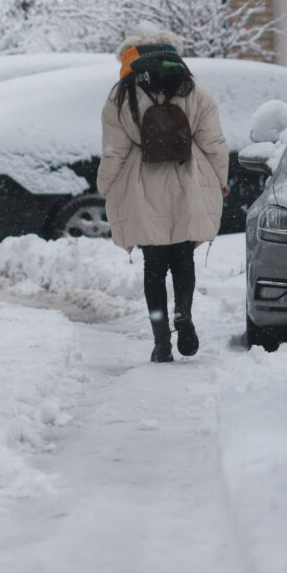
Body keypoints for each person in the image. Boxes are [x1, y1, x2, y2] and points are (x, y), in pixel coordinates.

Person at [97, 30, 228, 363]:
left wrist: (105, 185)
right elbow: (214, 143)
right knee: (183, 259)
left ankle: (161, 342)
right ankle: (183, 313)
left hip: (142, 189)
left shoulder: (121, 95)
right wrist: (220, 180)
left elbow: (114, 151)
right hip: (188, 183)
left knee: (153, 267)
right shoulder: (193, 88)